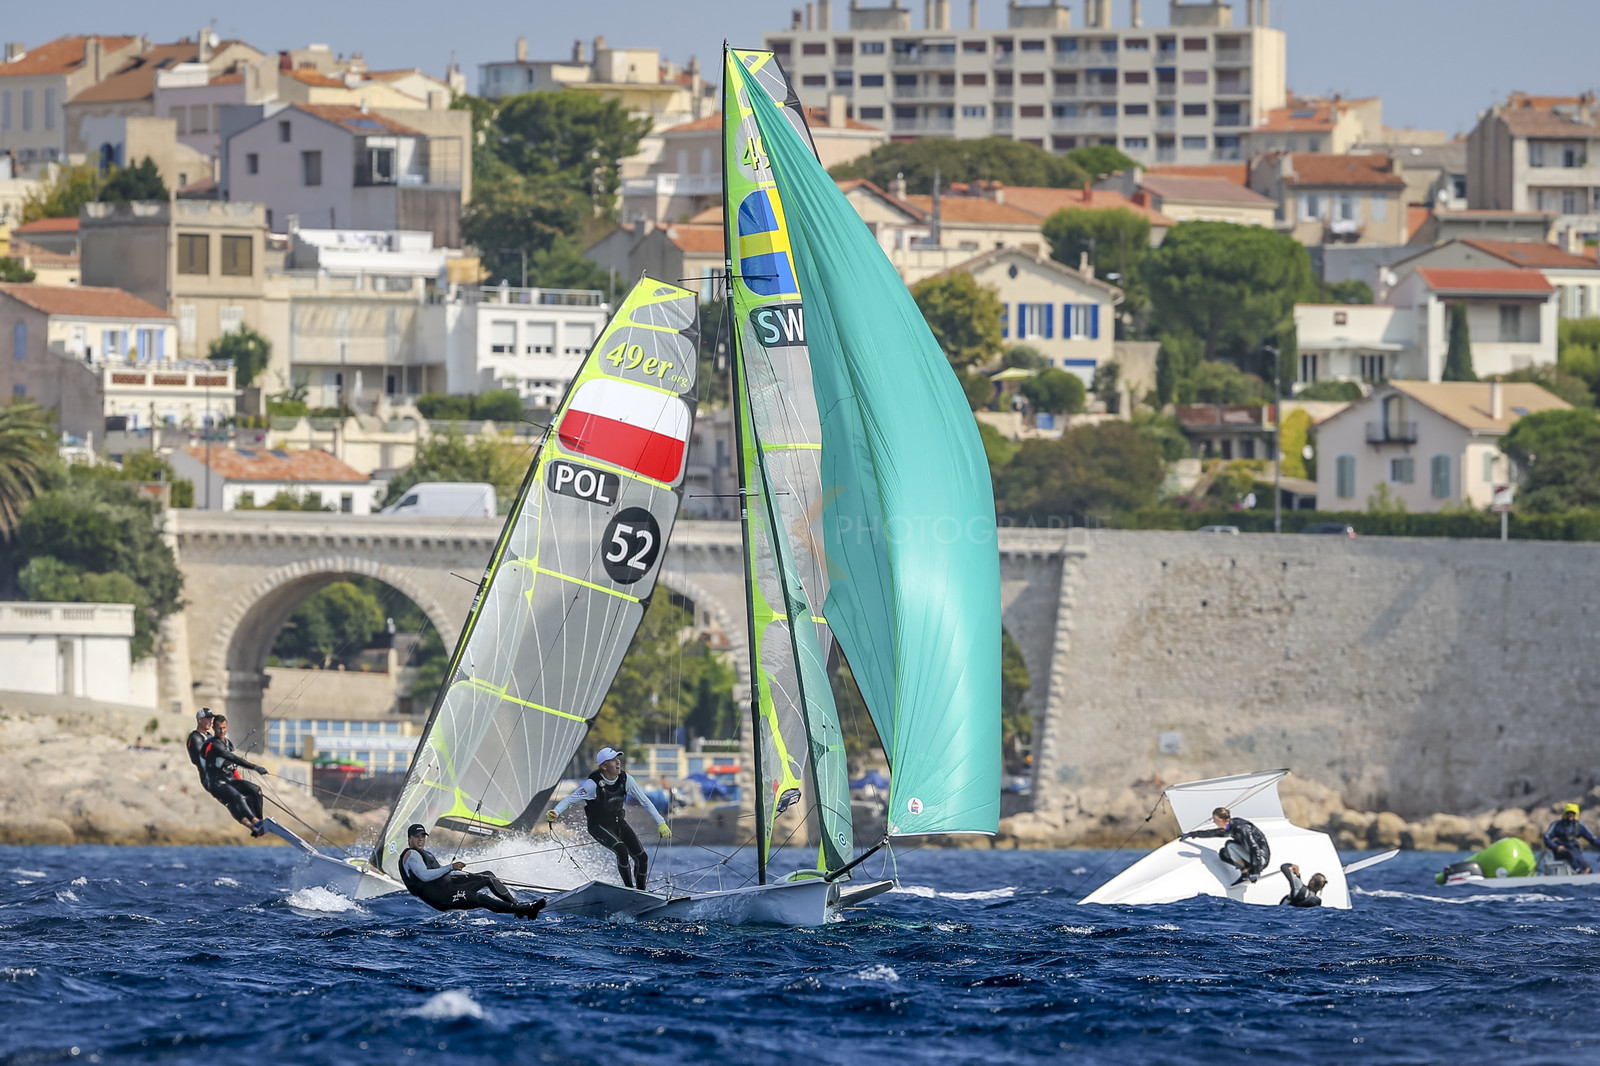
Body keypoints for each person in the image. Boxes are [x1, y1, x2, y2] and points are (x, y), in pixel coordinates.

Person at [547, 747, 671, 891]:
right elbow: (570, 799)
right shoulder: (592, 784)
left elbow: (645, 801)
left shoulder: (626, 779)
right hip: (598, 826)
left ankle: (641, 892)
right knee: (622, 850)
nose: (618, 763)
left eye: (618, 759)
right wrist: (555, 812)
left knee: (642, 857)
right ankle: (630, 890)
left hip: (618, 823)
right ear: (604, 766)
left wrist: (661, 822)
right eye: (612, 760)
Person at [397, 824, 546, 918]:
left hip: (449, 885)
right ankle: (527, 909)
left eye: (423, 836)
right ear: (409, 838)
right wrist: (450, 867)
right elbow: (424, 876)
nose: (421, 839)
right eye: (417, 837)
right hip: (442, 896)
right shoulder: (411, 855)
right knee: (482, 899)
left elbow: (436, 872)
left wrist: (454, 872)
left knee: (487, 876)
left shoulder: (423, 853)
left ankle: (517, 907)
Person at [201, 714, 268, 836]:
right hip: (217, 783)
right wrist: (255, 767)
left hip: (230, 780)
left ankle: (260, 824)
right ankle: (255, 822)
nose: (222, 731)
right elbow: (234, 759)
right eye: (219, 728)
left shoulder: (228, 743)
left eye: (224, 728)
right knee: (237, 797)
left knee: (256, 790)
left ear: (227, 727)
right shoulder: (215, 744)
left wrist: (240, 781)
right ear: (214, 728)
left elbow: (232, 766)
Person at [1182, 806, 1271, 885]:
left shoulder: (1242, 828)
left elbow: (1254, 848)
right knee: (1223, 854)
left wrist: (1255, 871)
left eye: (1214, 819)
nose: (1214, 822)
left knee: (1230, 845)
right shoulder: (1230, 826)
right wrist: (1192, 834)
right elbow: (1213, 832)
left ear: (1220, 820)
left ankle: (1246, 873)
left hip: (1260, 859)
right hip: (1253, 857)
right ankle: (1246, 872)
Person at [1543, 803, 1600, 874]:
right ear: (1565, 814)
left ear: (1576, 815)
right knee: (1570, 855)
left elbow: (1593, 839)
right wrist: (1556, 847)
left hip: (1575, 850)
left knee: (1585, 864)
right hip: (1560, 851)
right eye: (1569, 813)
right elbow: (1547, 838)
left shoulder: (1580, 826)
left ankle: (1585, 871)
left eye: (1573, 814)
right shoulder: (1556, 825)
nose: (1570, 815)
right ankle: (1579, 871)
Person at [185, 708, 215, 790]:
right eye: (208, 719)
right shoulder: (195, 737)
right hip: (209, 778)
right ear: (199, 720)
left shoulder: (210, 736)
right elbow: (204, 757)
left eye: (211, 719)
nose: (211, 722)